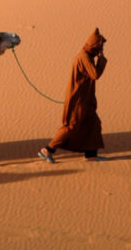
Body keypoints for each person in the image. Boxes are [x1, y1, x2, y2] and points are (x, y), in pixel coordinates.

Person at [39, 29, 107, 164]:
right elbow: (95, 75)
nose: (102, 48)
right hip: (78, 99)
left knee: (93, 123)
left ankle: (91, 154)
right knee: (71, 125)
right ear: (94, 45)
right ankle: (48, 149)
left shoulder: (88, 56)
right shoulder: (84, 57)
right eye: (100, 46)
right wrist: (102, 60)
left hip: (86, 99)